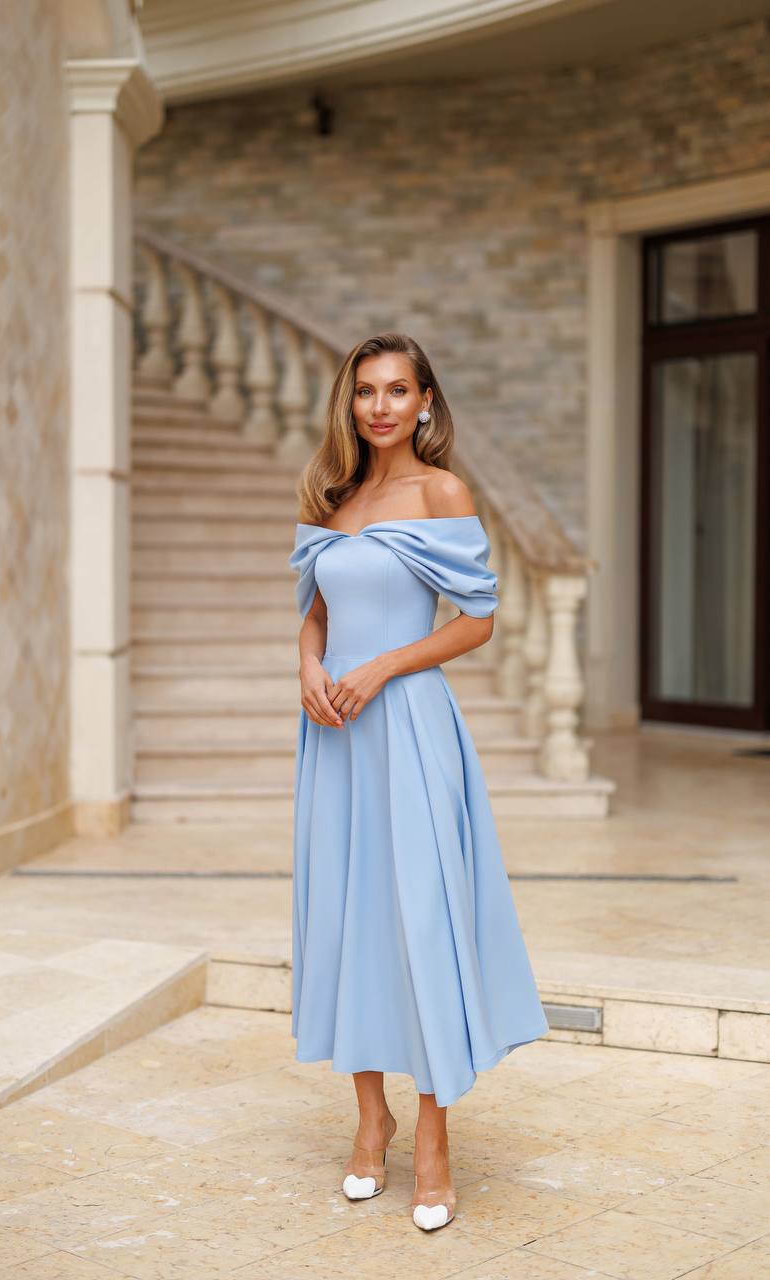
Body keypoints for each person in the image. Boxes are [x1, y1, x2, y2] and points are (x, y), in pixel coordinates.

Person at [289, 332, 549, 1232]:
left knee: (419, 920)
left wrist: (382, 669)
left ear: (425, 401)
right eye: (366, 391)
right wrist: (310, 668)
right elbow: (316, 615)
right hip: (334, 735)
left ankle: (433, 1139)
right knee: (347, 914)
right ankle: (371, 1120)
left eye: (399, 390)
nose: (382, 406)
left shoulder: (441, 493)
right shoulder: (331, 496)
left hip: (405, 724)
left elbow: (476, 622)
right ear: (349, 403)